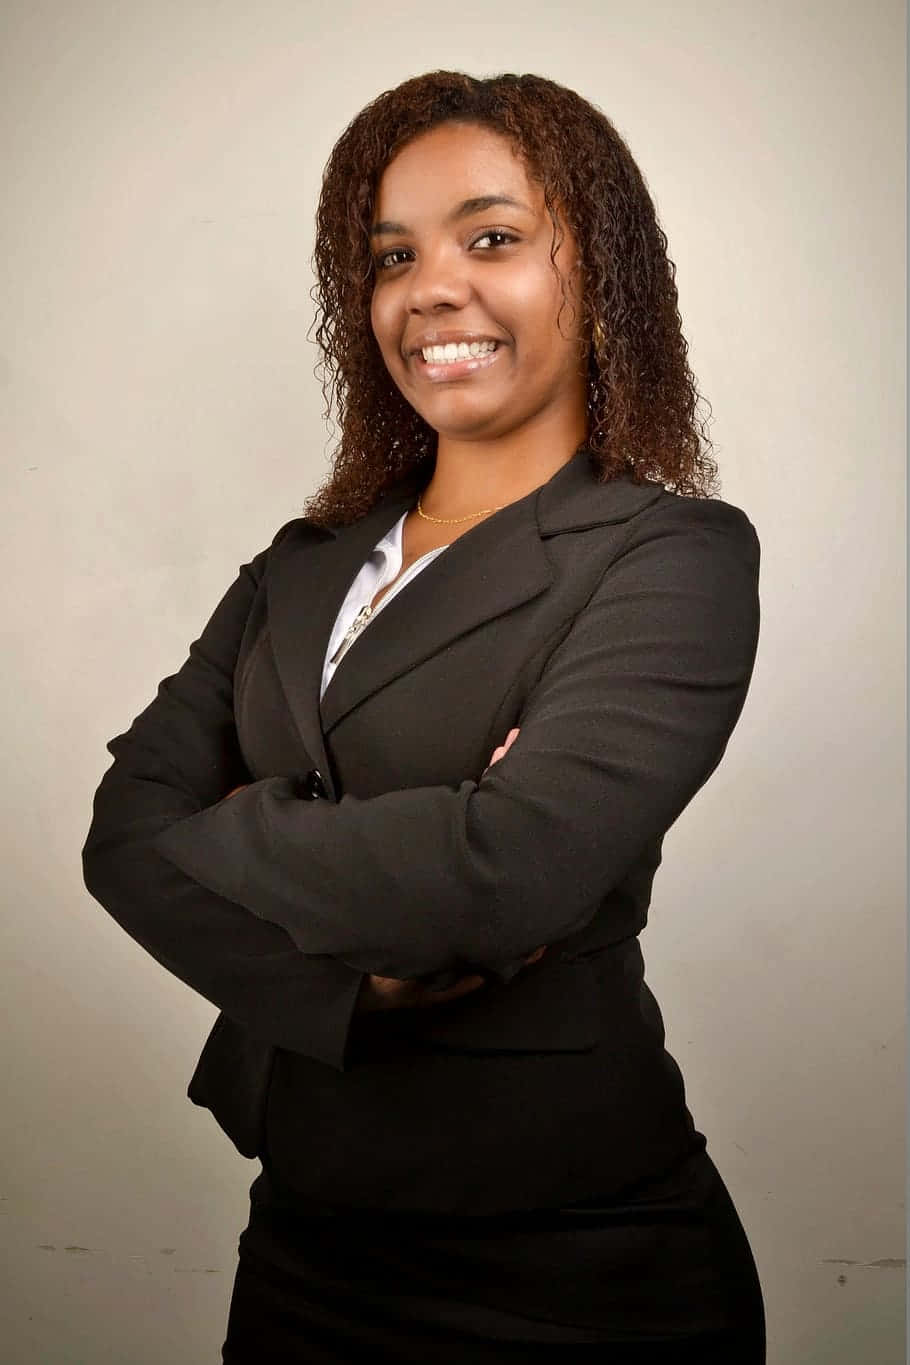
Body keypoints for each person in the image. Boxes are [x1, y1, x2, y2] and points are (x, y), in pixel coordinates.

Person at [82, 70, 765, 1363]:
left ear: (596, 268)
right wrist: (355, 980)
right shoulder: (301, 566)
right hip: (304, 1240)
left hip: (572, 1261)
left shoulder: (664, 555)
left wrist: (226, 825)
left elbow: (496, 878)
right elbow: (122, 838)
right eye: (392, 255)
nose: (430, 287)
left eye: (491, 238)